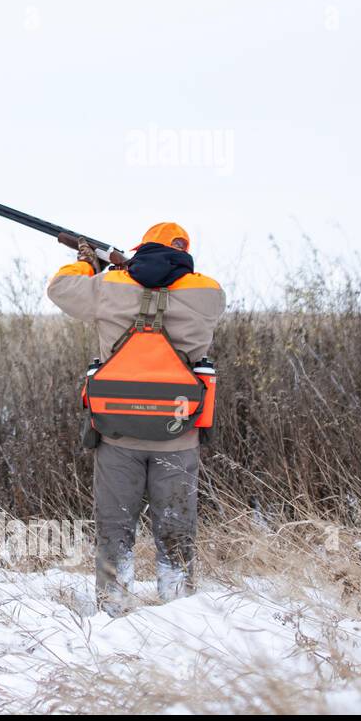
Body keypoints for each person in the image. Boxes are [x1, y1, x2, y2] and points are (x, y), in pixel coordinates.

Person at [47, 222, 226, 615]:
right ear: (183, 249)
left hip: (116, 433)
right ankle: (177, 606)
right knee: (176, 526)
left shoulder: (111, 285)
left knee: (115, 526)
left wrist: (86, 263)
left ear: (141, 247)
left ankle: (115, 608)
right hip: (179, 434)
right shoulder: (209, 292)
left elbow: (59, 289)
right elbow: (178, 285)